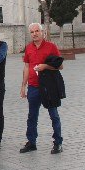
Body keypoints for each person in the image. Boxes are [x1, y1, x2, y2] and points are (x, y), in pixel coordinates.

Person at [20, 23, 64, 154]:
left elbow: (60, 66)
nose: (34, 34)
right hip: (33, 87)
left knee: (54, 115)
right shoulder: (28, 48)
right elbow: (27, 67)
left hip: (48, 88)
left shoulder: (51, 47)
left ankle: (58, 143)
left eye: (37, 31)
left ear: (42, 32)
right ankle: (31, 142)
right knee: (32, 116)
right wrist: (23, 86)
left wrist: (45, 66)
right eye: (32, 32)